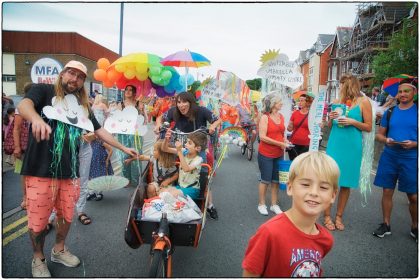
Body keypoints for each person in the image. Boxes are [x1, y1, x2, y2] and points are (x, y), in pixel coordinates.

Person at [17, 60, 137, 277]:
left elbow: (99, 131)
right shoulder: (42, 90)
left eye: (80, 76)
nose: (75, 79)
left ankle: (59, 250)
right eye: (71, 73)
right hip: (39, 171)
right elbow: (24, 105)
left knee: (66, 216)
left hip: (70, 171)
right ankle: (38, 259)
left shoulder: (82, 106)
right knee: (38, 220)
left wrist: (123, 147)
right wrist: (36, 119)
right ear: (62, 74)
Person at [242, 151, 339, 277]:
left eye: (324, 187)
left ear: (333, 195)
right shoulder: (269, 233)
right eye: (305, 184)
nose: (314, 192)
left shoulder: (326, 240)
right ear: (290, 187)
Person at [156, 92, 222, 219]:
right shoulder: (173, 112)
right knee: (176, 171)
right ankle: (177, 201)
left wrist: (212, 126)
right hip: (182, 147)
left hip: (196, 148)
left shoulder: (201, 111)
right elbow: (160, 118)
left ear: (191, 103)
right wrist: (158, 125)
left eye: (184, 102)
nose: (181, 105)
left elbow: (218, 119)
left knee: (203, 175)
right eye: (178, 102)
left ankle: (209, 205)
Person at [324, 74, 372, 231]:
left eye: (342, 84)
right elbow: (330, 125)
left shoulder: (364, 102)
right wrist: (330, 118)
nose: (340, 87)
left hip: (352, 146)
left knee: (346, 184)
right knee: (331, 182)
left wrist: (352, 121)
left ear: (349, 85)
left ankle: (338, 216)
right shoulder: (337, 102)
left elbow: (369, 127)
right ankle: (326, 216)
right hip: (336, 143)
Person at [372, 78, 418, 241]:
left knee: (413, 196)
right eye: (400, 92)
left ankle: (415, 227)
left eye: (406, 91)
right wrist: (387, 140)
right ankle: (386, 224)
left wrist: (415, 144)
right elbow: (379, 134)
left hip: (412, 157)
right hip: (390, 155)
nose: (403, 94)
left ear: (415, 92)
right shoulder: (390, 112)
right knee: (387, 191)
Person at [257, 94, 290, 216]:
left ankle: (274, 204)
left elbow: (281, 133)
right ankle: (261, 204)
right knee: (265, 180)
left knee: (276, 180)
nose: (281, 103)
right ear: (273, 104)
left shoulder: (281, 116)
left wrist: (285, 141)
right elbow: (262, 137)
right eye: (279, 101)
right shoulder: (265, 117)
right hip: (266, 153)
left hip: (278, 153)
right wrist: (280, 143)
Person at [162, 130, 207, 199]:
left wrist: (179, 151)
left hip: (192, 189)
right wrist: (166, 139)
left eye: (189, 143)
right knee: (162, 192)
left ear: (197, 148)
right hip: (180, 187)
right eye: (186, 142)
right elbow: (165, 149)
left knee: (171, 195)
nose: (185, 144)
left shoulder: (199, 159)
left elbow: (186, 169)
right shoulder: (184, 151)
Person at [14, 83, 32, 210]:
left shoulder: (35, 105)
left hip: (34, 146)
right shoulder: (22, 106)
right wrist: (17, 147)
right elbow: (16, 128)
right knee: (24, 172)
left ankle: (31, 197)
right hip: (25, 146)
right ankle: (25, 198)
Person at [287, 94, 314, 161]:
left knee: (303, 164)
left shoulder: (312, 114)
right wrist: (288, 126)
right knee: (293, 162)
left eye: (302, 101)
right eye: (299, 101)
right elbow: (289, 129)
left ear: (307, 103)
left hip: (306, 144)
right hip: (294, 143)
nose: (300, 102)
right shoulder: (295, 113)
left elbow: (317, 127)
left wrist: (320, 124)